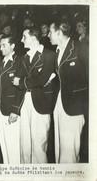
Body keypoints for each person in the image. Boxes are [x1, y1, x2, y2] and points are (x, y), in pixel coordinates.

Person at [12, 27, 57, 163]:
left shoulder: (49, 55)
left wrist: (21, 82)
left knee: (39, 145)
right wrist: (15, 109)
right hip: (25, 101)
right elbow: (27, 82)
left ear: (32, 39)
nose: (21, 40)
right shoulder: (23, 58)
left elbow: (42, 79)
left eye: (24, 37)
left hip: (41, 102)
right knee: (25, 144)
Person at [48, 20, 88, 163]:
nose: (48, 35)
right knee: (60, 149)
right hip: (59, 106)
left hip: (74, 107)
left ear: (59, 32)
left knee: (69, 152)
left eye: (50, 32)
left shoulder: (80, 47)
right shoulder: (58, 51)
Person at [0, 35, 21, 164]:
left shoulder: (18, 62)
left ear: (12, 46)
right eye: (0, 45)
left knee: (14, 147)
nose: (1, 48)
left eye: (4, 45)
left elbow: (20, 88)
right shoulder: (1, 63)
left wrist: (15, 110)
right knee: (4, 146)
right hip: (1, 110)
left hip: (11, 110)